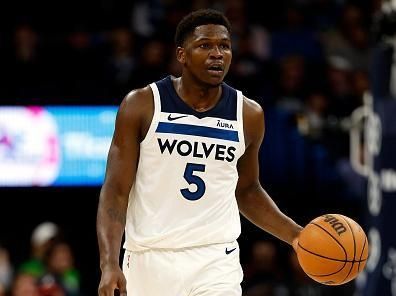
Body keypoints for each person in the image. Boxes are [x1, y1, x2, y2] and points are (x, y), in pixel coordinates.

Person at [97, 8, 303, 296]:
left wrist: (296, 236)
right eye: (205, 45)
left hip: (215, 258)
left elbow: (247, 190)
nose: (217, 53)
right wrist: (109, 263)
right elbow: (116, 190)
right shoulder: (142, 105)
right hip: (148, 257)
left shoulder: (248, 114)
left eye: (224, 46)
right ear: (182, 55)